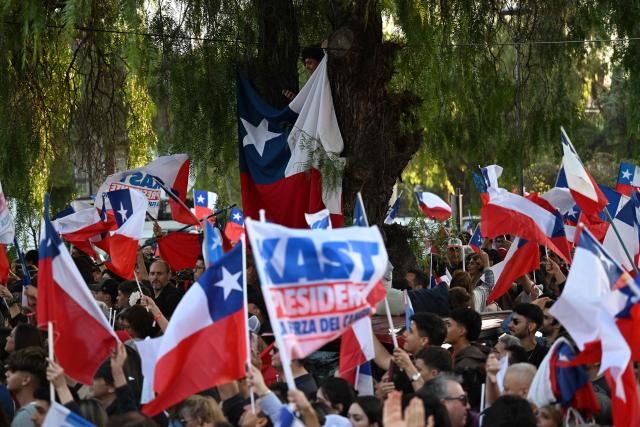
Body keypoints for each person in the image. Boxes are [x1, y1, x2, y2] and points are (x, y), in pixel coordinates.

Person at [91, 342, 138, 416]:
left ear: (112, 387)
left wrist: (117, 371)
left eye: (95, 378)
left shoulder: (122, 417)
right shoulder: (91, 410)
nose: (89, 382)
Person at [6, 347, 47, 427]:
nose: (6, 374)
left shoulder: (26, 416)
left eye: (13, 371)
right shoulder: (40, 411)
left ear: (25, 380)